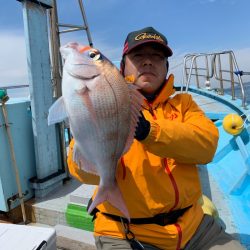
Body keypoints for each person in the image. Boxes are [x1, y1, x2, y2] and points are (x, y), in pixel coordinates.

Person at [67, 27, 244, 250]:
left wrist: (149, 131)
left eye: (157, 57)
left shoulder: (184, 103)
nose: (148, 62)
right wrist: (87, 127)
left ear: (166, 67)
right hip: (126, 232)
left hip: (196, 228)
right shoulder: (102, 105)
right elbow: (79, 172)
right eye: (138, 56)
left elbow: (206, 146)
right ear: (122, 67)